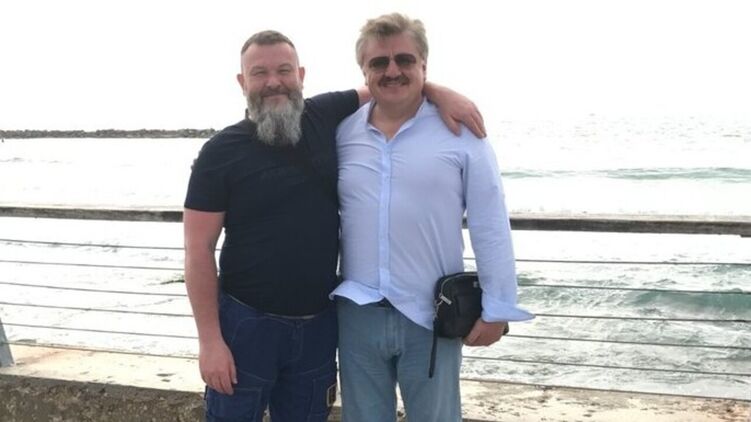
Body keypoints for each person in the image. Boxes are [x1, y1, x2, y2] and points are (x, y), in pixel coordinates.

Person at [183, 30, 486, 422]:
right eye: (259, 73)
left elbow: (387, 84)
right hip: (246, 325)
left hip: (319, 329)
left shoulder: (324, 115)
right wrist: (210, 342)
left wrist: (440, 92)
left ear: (300, 75)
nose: (273, 81)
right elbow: (198, 249)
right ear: (243, 81)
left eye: (283, 70)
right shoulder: (220, 152)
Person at [333, 13, 534, 421]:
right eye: (379, 62)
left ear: (424, 65)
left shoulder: (461, 133)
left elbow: (490, 222)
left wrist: (498, 307)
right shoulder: (341, 133)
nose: (392, 70)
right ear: (363, 71)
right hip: (357, 313)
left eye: (405, 60)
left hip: (430, 315)